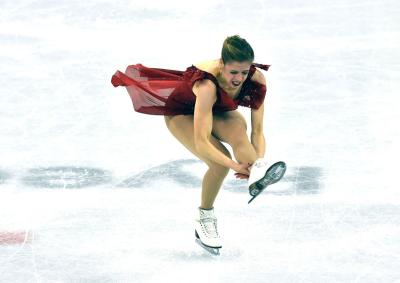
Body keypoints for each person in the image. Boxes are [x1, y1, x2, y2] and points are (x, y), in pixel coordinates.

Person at [111, 35, 272, 251]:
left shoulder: (256, 79)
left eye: (244, 72)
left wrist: (258, 164)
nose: (238, 79)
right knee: (220, 164)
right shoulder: (206, 85)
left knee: (242, 139)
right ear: (222, 64)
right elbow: (202, 141)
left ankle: (254, 171)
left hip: (219, 111)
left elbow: (258, 131)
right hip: (182, 114)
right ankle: (204, 217)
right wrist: (235, 166)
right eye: (233, 72)